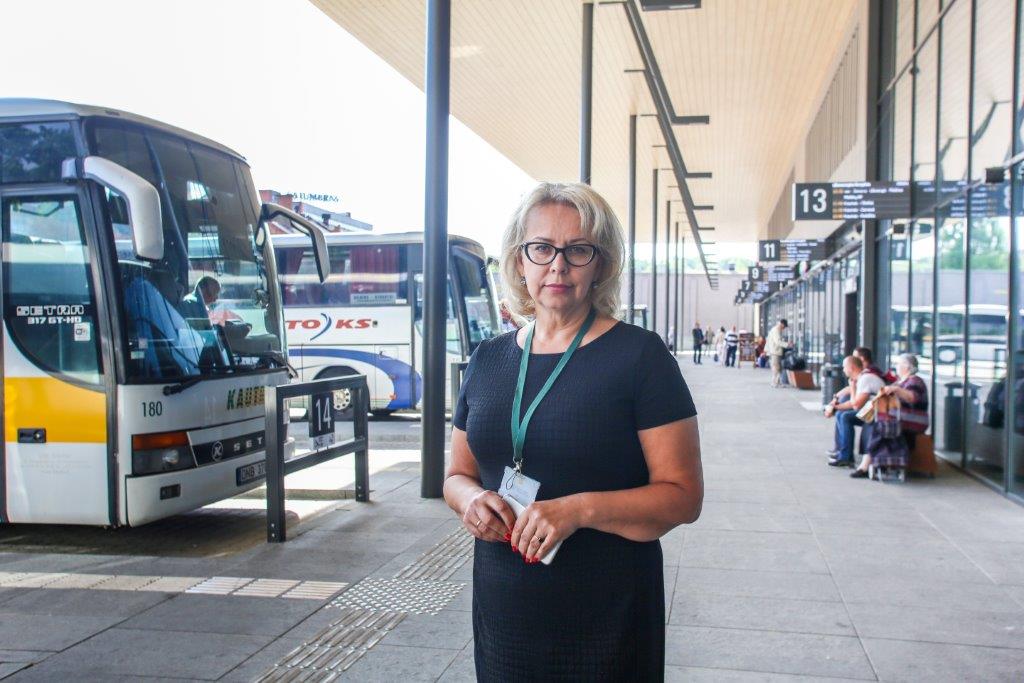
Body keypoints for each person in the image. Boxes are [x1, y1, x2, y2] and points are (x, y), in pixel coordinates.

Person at [444, 182, 704, 681]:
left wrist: (578, 510)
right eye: (541, 248)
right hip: (504, 613)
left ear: (601, 264)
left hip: (606, 616)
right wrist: (471, 501)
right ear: (518, 260)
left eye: (577, 250)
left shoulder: (640, 357)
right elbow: (457, 475)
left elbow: (683, 497)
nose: (557, 266)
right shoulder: (488, 359)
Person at [851, 353, 929, 478]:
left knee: (876, 422)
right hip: (901, 416)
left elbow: (912, 398)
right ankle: (868, 462)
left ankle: (866, 464)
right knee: (872, 420)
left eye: (898, 364)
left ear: (907, 367)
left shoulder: (915, 381)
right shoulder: (901, 381)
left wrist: (896, 390)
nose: (896, 367)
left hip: (915, 418)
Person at [823, 355, 885, 467]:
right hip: (870, 411)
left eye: (844, 367)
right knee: (841, 414)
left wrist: (852, 389)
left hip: (879, 413)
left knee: (845, 417)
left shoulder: (865, 379)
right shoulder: (861, 378)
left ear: (851, 368)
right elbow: (854, 402)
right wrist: (835, 406)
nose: (843, 370)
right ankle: (843, 453)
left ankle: (846, 457)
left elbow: (856, 405)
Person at [764, 319, 789, 387]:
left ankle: (777, 382)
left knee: (778, 368)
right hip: (775, 352)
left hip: (776, 351)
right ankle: (774, 383)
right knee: (776, 368)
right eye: (784, 327)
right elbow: (777, 342)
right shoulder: (776, 330)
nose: (784, 328)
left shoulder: (777, 330)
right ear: (782, 324)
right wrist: (787, 344)